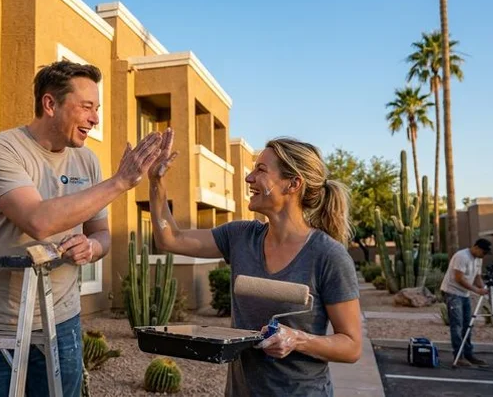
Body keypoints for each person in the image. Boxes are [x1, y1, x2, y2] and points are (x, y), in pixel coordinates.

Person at [0, 60, 163, 396]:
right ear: (50, 104)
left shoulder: (87, 160)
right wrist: (121, 182)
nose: (95, 119)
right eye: (86, 107)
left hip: (62, 321)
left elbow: (101, 234)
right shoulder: (0, 151)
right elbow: (38, 220)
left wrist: (92, 247)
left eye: (96, 109)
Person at [147, 134, 362, 396]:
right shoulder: (240, 237)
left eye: (260, 170)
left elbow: (351, 346)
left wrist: (297, 340)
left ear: (293, 183)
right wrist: (156, 182)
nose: (249, 178)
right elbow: (171, 238)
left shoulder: (328, 256)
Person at [439, 238, 492, 366]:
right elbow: (459, 278)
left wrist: (483, 288)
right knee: (457, 325)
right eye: (483, 252)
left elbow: (477, 276)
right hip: (453, 292)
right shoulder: (462, 256)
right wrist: (476, 290)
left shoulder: (478, 259)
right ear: (476, 247)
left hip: (465, 294)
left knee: (468, 324)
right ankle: (458, 356)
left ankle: (469, 354)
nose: (483, 255)